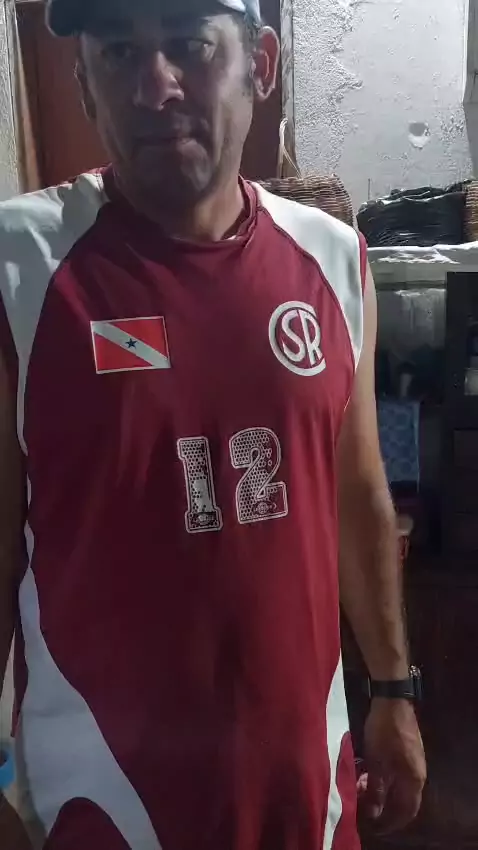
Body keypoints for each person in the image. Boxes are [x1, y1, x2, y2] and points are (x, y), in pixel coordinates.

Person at [0, 0, 426, 847]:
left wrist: (393, 690)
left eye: (188, 45)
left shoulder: (332, 258)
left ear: (259, 65)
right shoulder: (20, 268)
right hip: (100, 802)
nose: (154, 86)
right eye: (118, 54)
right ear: (83, 86)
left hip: (304, 784)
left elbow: (357, 495)